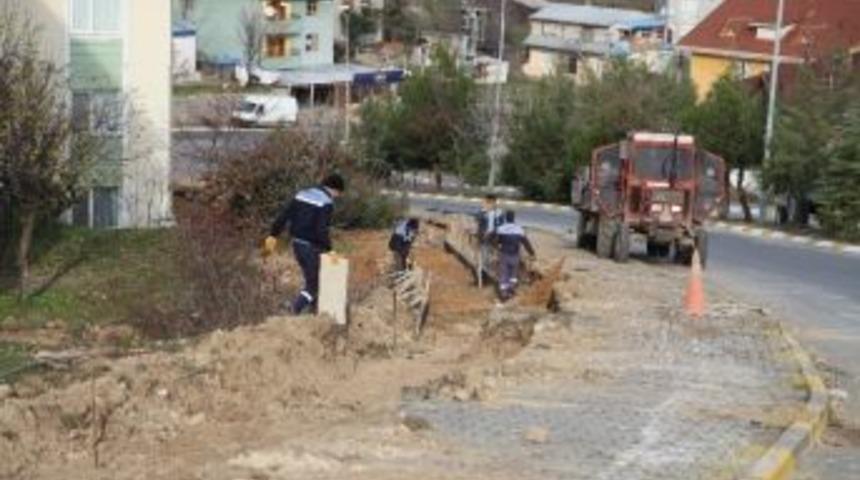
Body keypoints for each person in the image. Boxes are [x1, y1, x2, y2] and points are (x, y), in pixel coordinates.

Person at [263, 174, 346, 314]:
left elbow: (283, 216)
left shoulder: (302, 194)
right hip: (311, 247)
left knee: (313, 278)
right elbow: (321, 229)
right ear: (334, 189)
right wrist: (329, 249)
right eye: (338, 194)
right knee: (314, 285)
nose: (336, 197)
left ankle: (314, 312)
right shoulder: (326, 202)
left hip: (296, 244)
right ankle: (294, 309)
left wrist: (273, 235)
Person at [491, 210, 536, 301]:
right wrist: (532, 253)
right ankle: (511, 290)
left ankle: (503, 294)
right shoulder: (519, 229)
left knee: (504, 273)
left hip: (504, 254)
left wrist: (497, 247)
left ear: (506, 218)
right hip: (515, 255)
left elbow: (495, 241)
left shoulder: (501, 228)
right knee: (513, 274)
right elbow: (526, 242)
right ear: (513, 218)